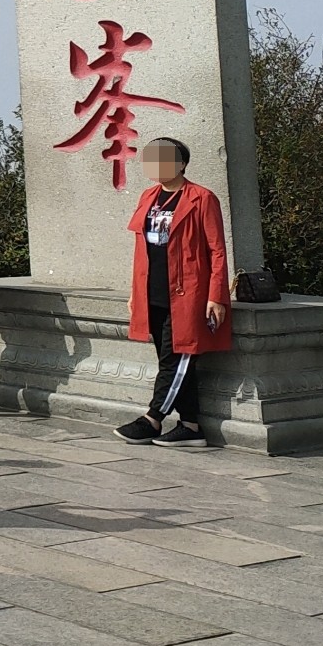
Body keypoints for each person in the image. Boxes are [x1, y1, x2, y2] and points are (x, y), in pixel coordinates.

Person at [116, 136, 231, 448]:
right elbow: (142, 251)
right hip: (151, 291)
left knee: (175, 359)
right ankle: (191, 426)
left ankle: (153, 418)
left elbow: (217, 251)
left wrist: (216, 295)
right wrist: (134, 293)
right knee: (178, 364)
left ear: (181, 164)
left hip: (188, 294)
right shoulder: (148, 197)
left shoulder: (201, 198)